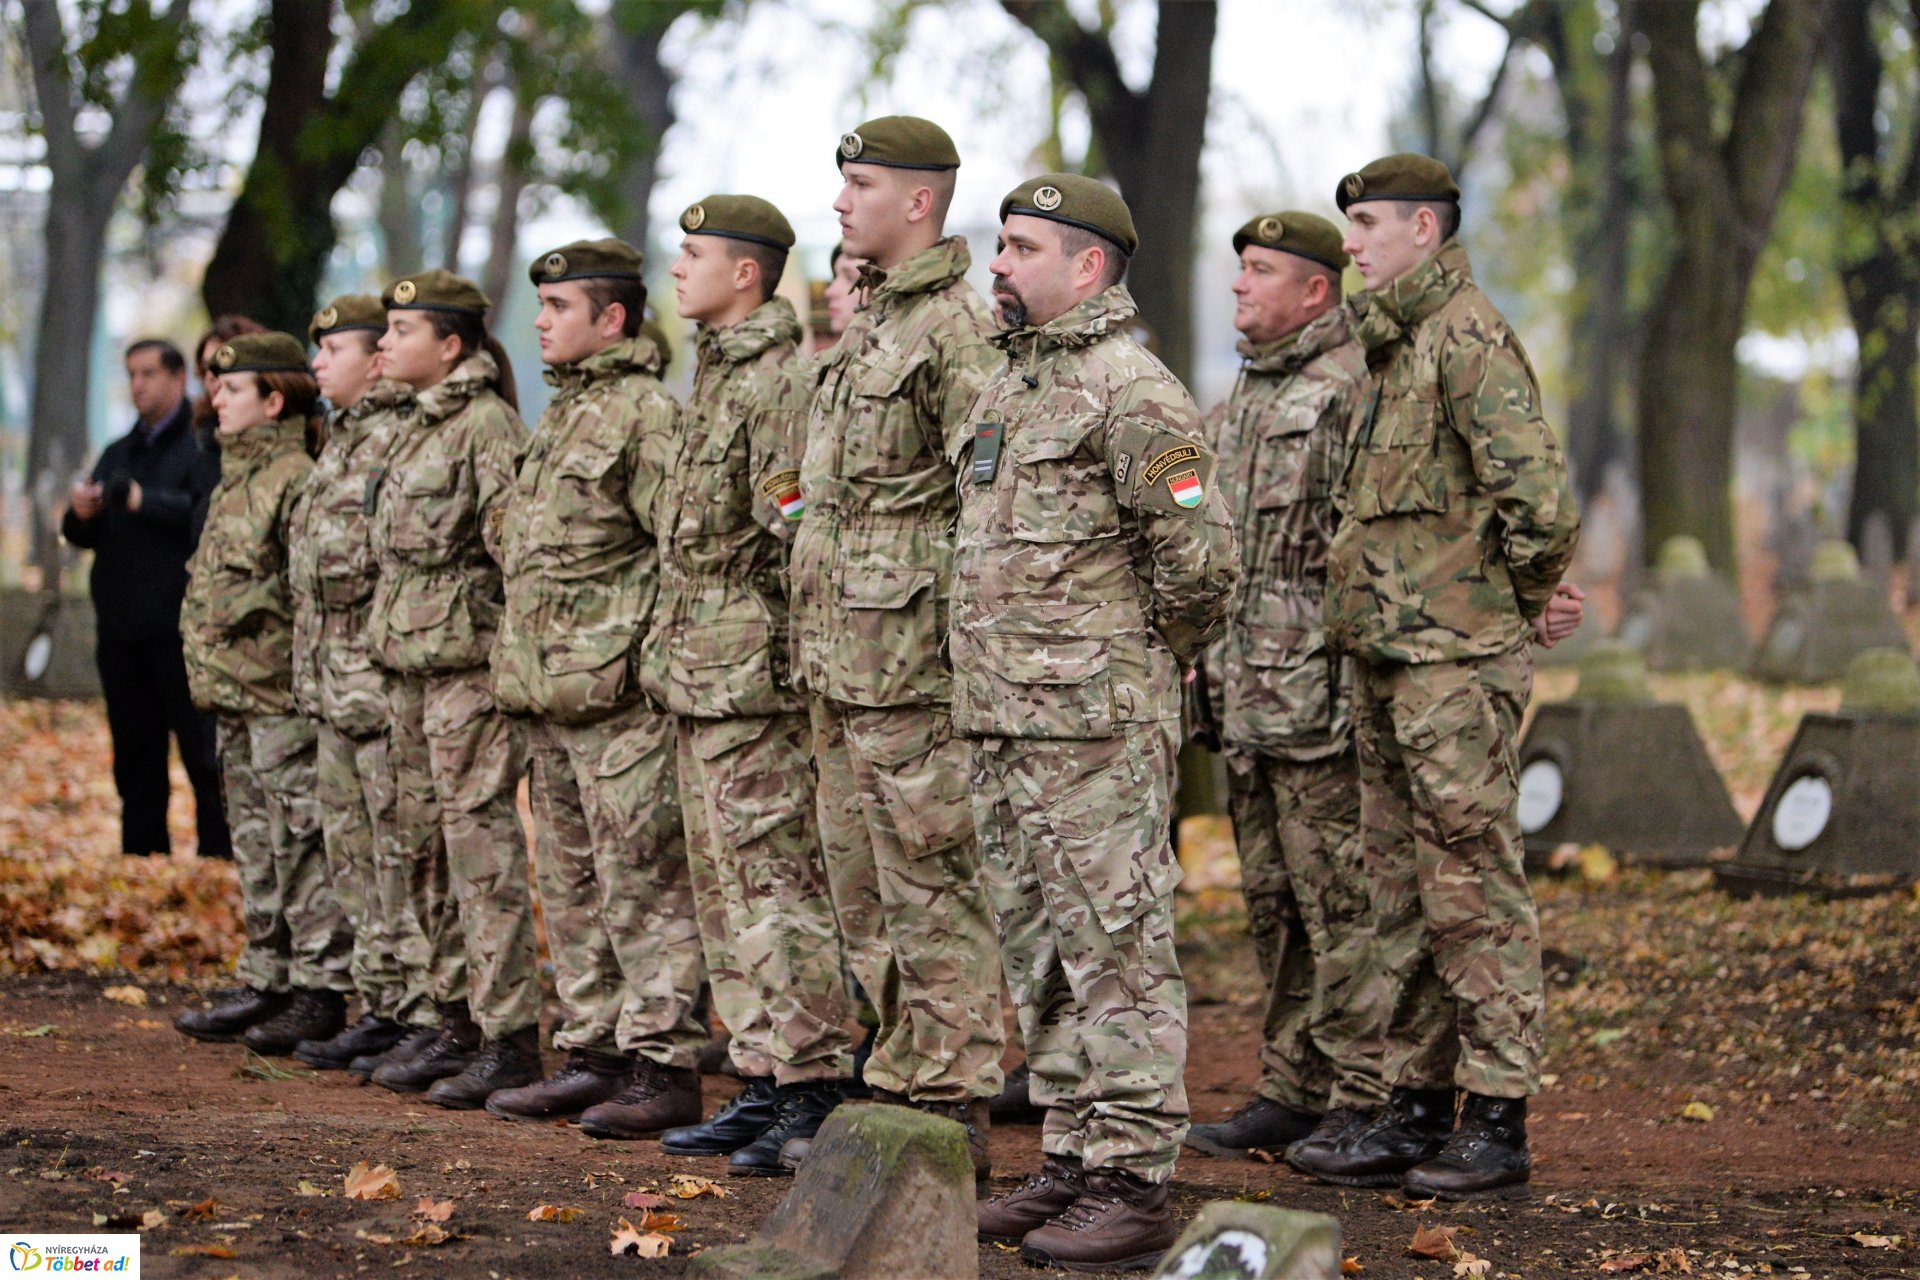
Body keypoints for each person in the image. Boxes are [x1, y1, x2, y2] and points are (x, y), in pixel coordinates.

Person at [1290, 154, 1581, 1200]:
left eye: (1368, 223)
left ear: (1425, 229)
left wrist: (1511, 604)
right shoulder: (1389, 348)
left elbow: (1539, 505)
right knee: (1399, 892)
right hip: (1387, 659)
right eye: (1350, 223)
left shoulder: (1466, 338)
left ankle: (1496, 1115)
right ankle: (1414, 1102)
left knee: (1474, 889)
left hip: (1454, 665)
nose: (1353, 242)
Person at [960, 175, 1238, 1271]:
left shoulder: (1134, 391)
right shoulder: (1011, 388)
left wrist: (1130, 663)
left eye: (1021, 247)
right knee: (1045, 952)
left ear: (1087, 267)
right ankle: (1073, 1153)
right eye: (998, 244)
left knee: (1117, 947)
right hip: (1004, 723)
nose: (997, 263)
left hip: (1092, 729)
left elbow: (1200, 562)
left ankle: (1134, 1174)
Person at [782, 115, 1006, 1183]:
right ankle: (901, 1079)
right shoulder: (870, 326)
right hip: (843, 663)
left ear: (919, 201)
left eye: (860, 184)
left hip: (912, 669)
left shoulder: (958, 332)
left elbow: (991, 509)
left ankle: (949, 1110)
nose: (839, 202)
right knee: (863, 893)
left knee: (932, 890)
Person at [635, 197, 855, 1173]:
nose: (677, 270)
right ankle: (764, 1073)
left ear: (747, 275)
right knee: (726, 892)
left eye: (695, 255)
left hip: (753, 676)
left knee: (778, 887)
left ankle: (813, 1082)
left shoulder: (778, 383)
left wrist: (784, 658)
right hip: (700, 670)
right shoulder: (714, 377)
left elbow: (795, 537)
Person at [482, 240, 707, 1126]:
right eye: (539, 307)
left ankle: (662, 1063)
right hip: (551, 696)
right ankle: (593, 1048)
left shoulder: (645, 414)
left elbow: (678, 553)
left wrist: (640, 663)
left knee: (642, 883)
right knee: (571, 883)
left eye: (558, 308)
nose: (539, 322)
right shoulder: (563, 414)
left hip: (616, 703)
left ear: (611, 319)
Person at [1183, 212, 1392, 1164]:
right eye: (1238, 270)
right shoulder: (1249, 395)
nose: (1238, 286)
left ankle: (1364, 1091)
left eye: (1259, 271)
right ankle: (1292, 1083)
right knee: (1272, 904)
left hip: (1320, 696)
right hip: (1246, 694)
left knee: (1339, 903)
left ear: (1316, 290)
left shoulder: (1351, 388)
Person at [364, 270, 539, 1107]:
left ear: (452, 345)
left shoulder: (485, 428)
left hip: (466, 674)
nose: (385, 344)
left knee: (481, 857)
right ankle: (451, 1017)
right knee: (421, 851)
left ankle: (507, 1036)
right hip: (406, 668)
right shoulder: (412, 428)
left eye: (403, 331)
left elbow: (516, 558)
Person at [174, 333, 353, 1052]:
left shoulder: (292, 478)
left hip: (279, 695)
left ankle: (317, 989)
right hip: (236, 695)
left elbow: (303, 594)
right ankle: (266, 975)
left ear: (274, 400)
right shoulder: (236, 475)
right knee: (256, 843)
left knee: (298, 842)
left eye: (232, 387)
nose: (215, 396)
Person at [286, 295, 444, 1072]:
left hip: (380, 686)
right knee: (354, 857)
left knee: (397, 855)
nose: (319, 362)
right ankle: (382, 1001)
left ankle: (417, 1007)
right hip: (333, 685)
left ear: (376, 360)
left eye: (333, 348)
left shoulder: (394, 438)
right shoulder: (340, 442)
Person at [62, 339, 230, 862]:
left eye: (149, 373)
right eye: (132, 374)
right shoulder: (119, 450)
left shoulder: (203, 448)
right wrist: (80, 515)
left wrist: (144, 501)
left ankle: (216, 860)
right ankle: (141, 860)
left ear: (181, 379)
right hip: (122, 634)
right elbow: (85, 535)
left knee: (204, 758)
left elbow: (204, 516)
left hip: (181, 633)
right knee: (135, 759)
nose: (138, 384)